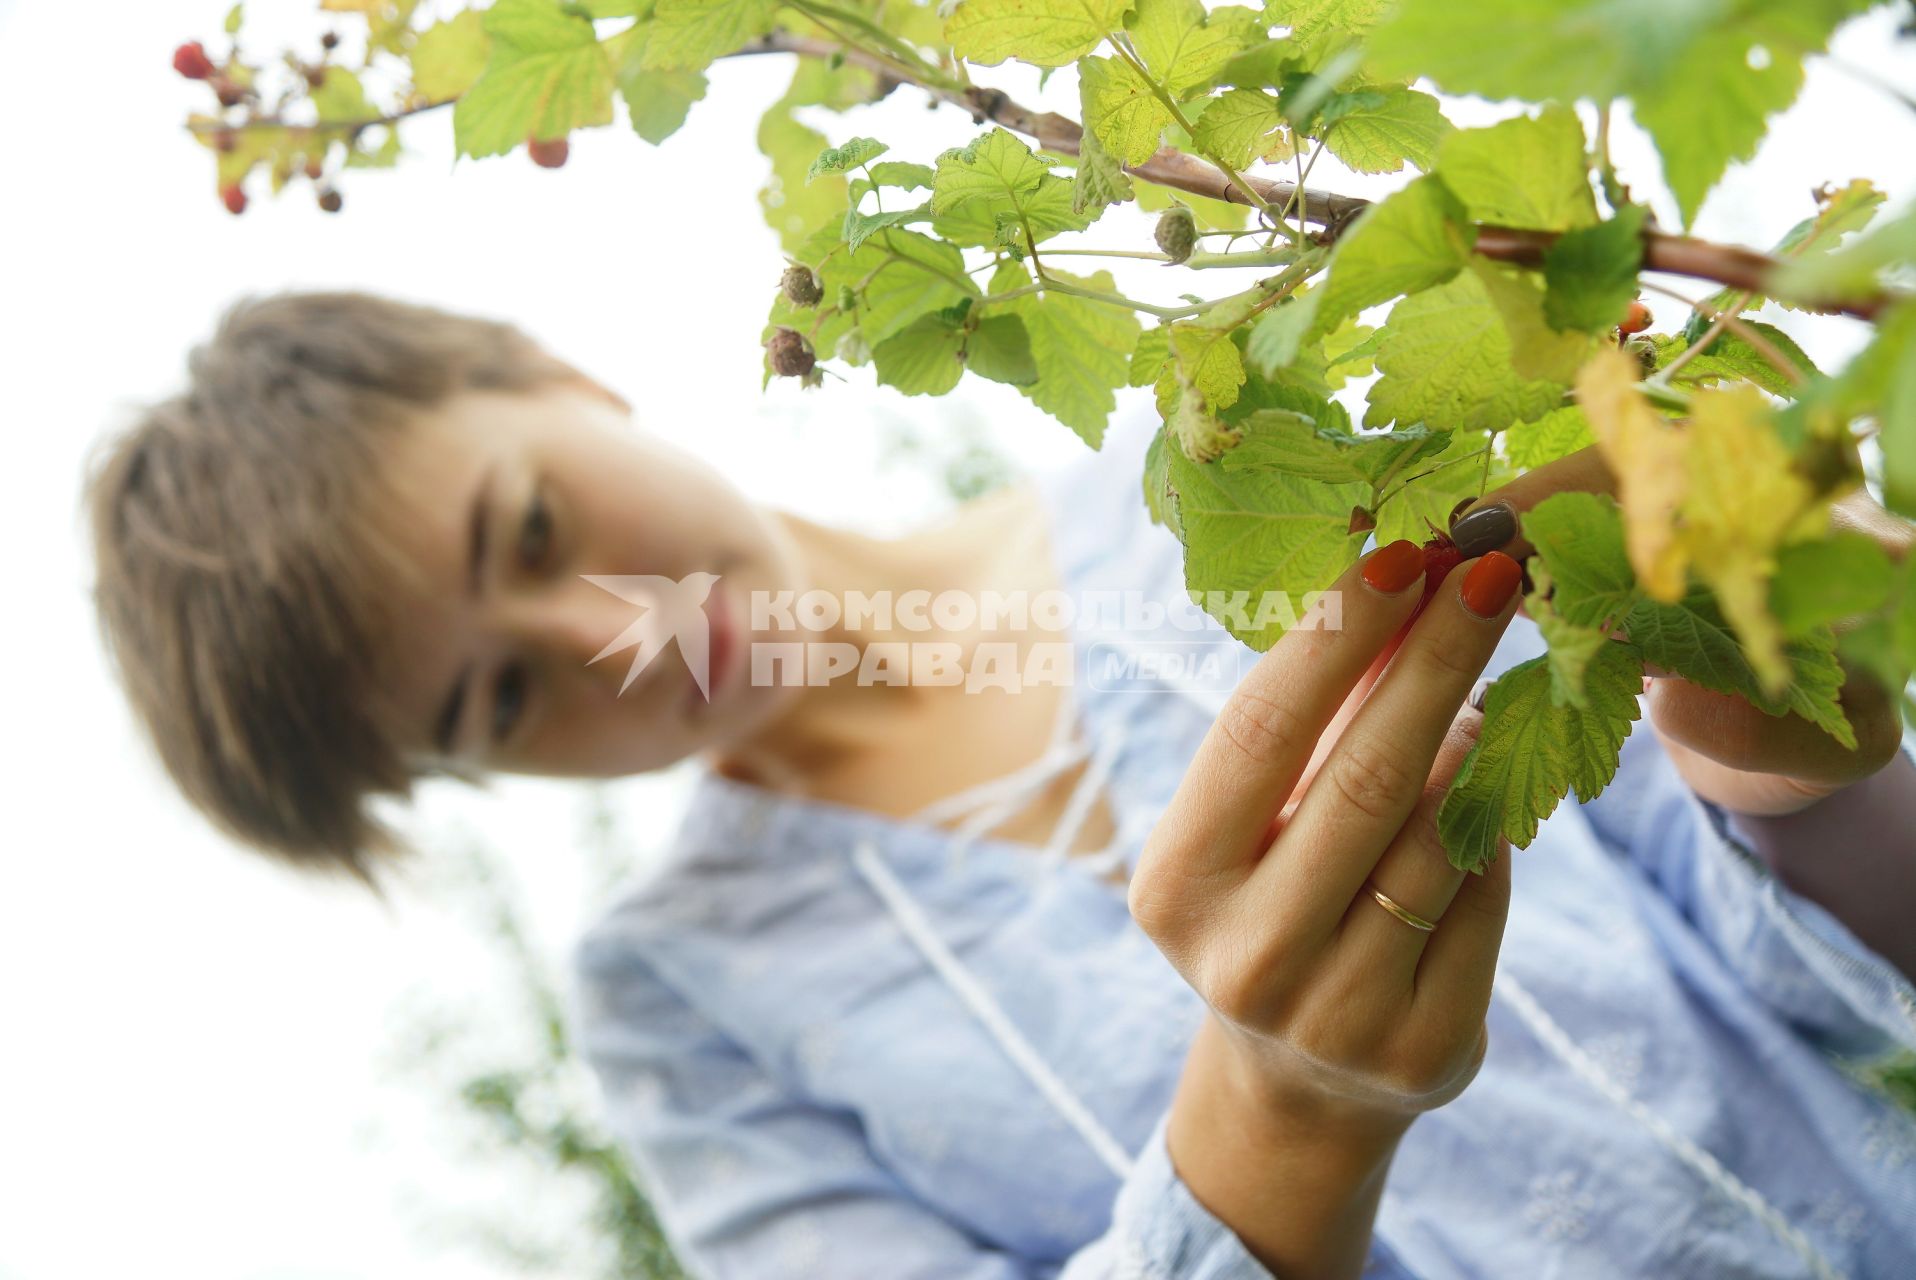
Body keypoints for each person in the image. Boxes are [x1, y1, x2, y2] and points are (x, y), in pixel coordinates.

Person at [85, 291, 1916, 1278]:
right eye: (491, 700)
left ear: (554, 374)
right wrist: (1279, 1124)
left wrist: (1785, 748)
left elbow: (1790, 922)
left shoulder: (1226, 477)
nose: (606, 630)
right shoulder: (686, 1008)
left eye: (535, 525)